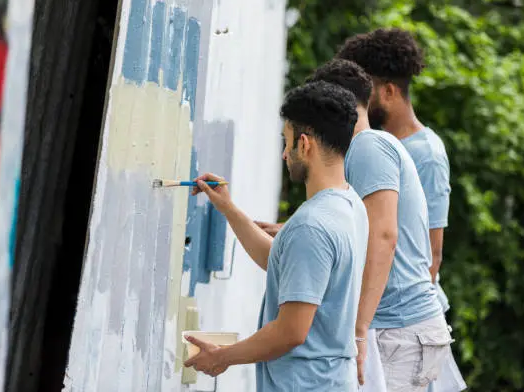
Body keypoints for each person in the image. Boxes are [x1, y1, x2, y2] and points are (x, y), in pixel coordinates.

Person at [257, 58, 454, 392]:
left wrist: (358, 331)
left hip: (398, 327)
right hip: (399, 326)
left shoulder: (367, 146)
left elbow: (384, 236)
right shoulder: (368, 149)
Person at [184, 81, 369, 391]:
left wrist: (222, 357)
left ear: (305, 145)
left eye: (287, 142)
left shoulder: (311, 225)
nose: (285, 154)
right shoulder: (351, 205)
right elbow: (282, 264)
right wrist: (228, 209)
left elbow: (290, 332)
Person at [337, 28, 466, 392]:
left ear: (389, 92)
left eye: (365, 93)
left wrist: (371, 327)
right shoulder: (372, 146)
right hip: (378, 321)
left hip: (402, 326)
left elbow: (430, 255)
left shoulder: (426, 154)